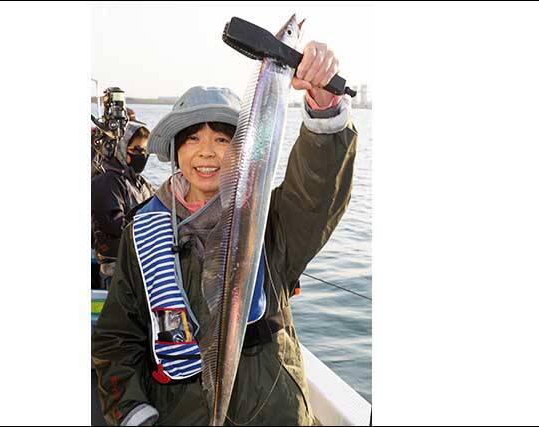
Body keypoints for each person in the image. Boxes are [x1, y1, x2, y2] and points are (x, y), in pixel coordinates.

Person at [92, 40, 358, 425]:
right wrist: (133, 412)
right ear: (176, 150)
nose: (207, 152)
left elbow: (316, 192)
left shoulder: (269, 220)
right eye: (193, 139)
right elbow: (116, 339)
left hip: (273, 411)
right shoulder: (142, 231)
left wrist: (325, 110)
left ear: (242, 150)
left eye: (222, 139)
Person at [91, 120, 156, 289]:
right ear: (121, 148)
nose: (142, 155)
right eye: (137, 150)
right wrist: (151, 231)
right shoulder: (107, 181)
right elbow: (113, 224)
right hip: (117, 272)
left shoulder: (140, 182)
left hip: (140, 265)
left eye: (145, 151)